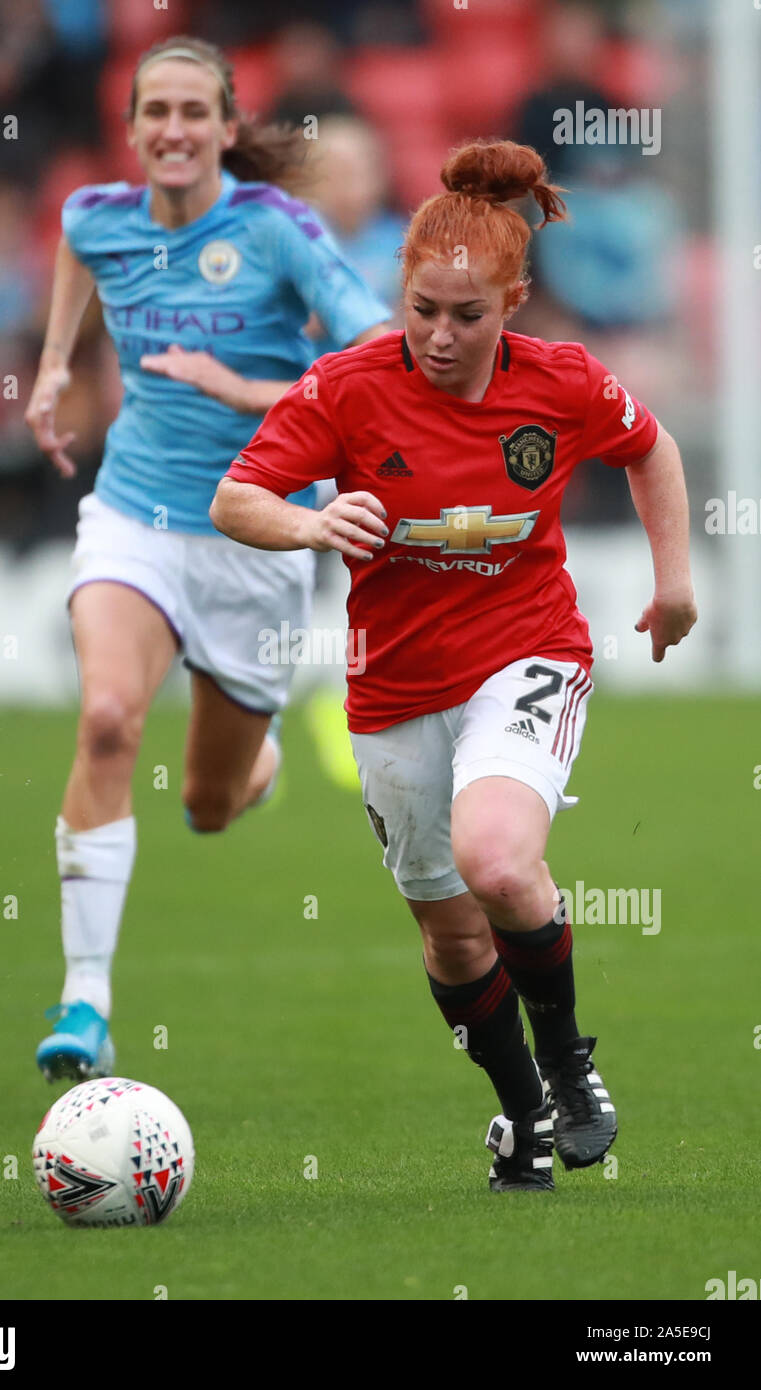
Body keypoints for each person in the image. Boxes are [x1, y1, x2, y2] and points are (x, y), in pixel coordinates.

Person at [211, 139, 697, 1191]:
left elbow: (651, 447)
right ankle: (521, 1116)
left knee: (499, 861)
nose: (438, 334)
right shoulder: (346, 387)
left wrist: (674, 583)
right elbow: (234, 498)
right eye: (422, 309)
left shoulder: (563, 382)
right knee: (452, 936)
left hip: (527, 651)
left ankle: (570, 1067)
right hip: (394, 687)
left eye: (466, 316)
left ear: (515, 302)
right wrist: (310, 525)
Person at [25, 35, 389, 1083]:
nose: (173, 130)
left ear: (228, 128)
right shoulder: (97, 217)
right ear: (132, 127)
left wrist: (240, 392)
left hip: (259, 535)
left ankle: (255, 767)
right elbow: (73, 251)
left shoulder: (277, 232)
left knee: (206, 807)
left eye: (195, 112)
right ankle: (85, 998)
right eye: (156, 112)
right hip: (135, 514)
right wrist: (53, 366)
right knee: (105, 721)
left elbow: (372, 368)